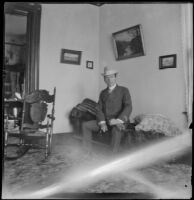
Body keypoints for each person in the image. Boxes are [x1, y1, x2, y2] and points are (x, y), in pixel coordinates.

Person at [82, 66, 132, 154]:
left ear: (115, 77)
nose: (109, 80)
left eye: (112, 77)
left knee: (116, 130)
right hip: (105, 121)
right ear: (104, 79)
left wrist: (117, 120)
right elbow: (99, 109)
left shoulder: (124, 90)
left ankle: (112, 158)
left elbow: (128, 106)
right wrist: (102, 122)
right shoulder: (103, 93)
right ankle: (87, 151)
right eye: (107, 78)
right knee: (86, 125)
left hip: (118, 121)